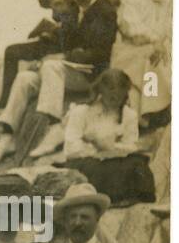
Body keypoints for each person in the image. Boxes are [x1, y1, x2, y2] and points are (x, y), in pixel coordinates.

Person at [0, 0, 118, 162]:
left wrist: (62, 57)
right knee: (24, 77)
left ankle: (54, 127)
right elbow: (64, 42)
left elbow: (100, 52)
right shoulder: (75, 12)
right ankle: (7, 136)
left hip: (90, 74)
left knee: (51, 66)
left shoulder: (104, 11)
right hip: (68, 71)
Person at [59, 68, 155, 206]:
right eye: (110, 91)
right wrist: (95, 149)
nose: (115, 97)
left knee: (138, 163)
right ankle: (111, 198)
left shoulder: (129, 115)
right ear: (101, 90)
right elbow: (70, 148)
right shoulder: (81, 111)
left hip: (114, 158)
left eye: (120, 93)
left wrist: (111, 148)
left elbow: (130, 144)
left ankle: (129, 198)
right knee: (96, 168)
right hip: (86, 159)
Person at [113, 0, 172, 127]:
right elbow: (131, 29)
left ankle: (161, 108)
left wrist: (161, 44)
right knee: (153, 59)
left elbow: (169, 32)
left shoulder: (170, 3)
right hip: (131, 51)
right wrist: (155, 42)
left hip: (159, 50)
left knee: (160, 57)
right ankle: (148, 113)